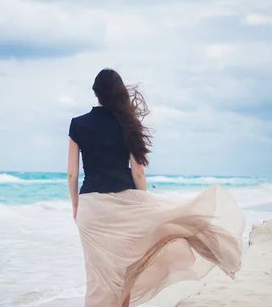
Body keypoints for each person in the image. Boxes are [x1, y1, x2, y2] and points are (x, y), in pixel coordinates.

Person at [67, 68, 245, 307]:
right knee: (129, 270)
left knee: (99, 276)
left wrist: (76, 207)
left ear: (95, 93)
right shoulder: (126, 124)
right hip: (126, 204)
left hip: (92, 210)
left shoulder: (78, 125)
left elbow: (72, 174)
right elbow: (138, 171)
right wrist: (145, 206)